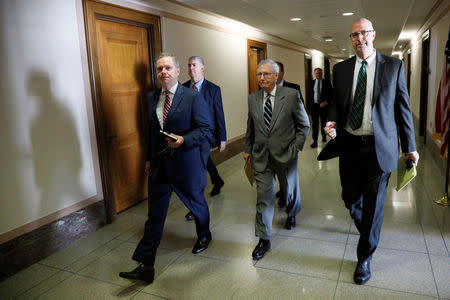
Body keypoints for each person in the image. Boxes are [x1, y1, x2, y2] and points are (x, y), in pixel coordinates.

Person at [324, 18, 419, 285]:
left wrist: (410, 147)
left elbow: (402, 109)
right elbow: (335, 102)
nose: (359, 39)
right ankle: (369, 229)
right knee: (350, 198)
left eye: (364, 33)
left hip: (381, 148)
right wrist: (331, 121)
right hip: (350, 145)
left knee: (374, 207)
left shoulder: (394, 66)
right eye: (354, 35)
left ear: (373, 34)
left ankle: (364, 256)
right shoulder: (341, 69)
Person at [119, 53, 213, 284]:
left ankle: (204, 234)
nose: (163, 72)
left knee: (197, 204)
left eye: (168, 67)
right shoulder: (152, 98)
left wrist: (184, 140)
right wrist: (149, 160)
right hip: (160, 167)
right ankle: (146, 266)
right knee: (154, 216)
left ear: (178, 71)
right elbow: (151, 132)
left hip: (186, 165)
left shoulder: (191, 97)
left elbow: (205, 130)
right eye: (160, 68)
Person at [244, 59, 310, 260]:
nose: (261, 78)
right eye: (259, 74)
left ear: (276, 76)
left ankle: (291, 213)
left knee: (289, 190)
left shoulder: (290, 96)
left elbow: (304, 125)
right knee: (264, 197)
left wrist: (295, 148)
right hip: (261, 155)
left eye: (266, 74)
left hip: (286, 155)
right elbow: (251, 126)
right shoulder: (253, 98)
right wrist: (248, 149)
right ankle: (264, 239)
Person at [183, 56, 227, 221]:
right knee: (201, 164)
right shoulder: (183, 88)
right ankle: (217, 181)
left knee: (197, 171)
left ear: (202, 68)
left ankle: (195, 207)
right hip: (188, 136)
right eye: (189, 65)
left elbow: (219, 114)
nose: (191, 68)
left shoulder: (213, 89)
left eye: (194, 65)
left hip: (205, 136)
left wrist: (222, 138)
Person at [274, 61, 305, 207]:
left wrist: (297, 143)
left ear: (282, 73)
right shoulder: (265, 89)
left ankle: (290, 207)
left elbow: (302, 116)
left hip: (289, 141)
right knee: (277, 171)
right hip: (271, 142)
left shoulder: (294, 89)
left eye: (277, 71)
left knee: (290, 175)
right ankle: (283, 191)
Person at [308, 68, 333, 148]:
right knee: (315, 124)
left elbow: (331, 94)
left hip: (323, 106)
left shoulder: (327, 82)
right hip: (314, 106)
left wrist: (325, 102)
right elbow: (310, 94)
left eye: (319, 73)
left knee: (323, 122)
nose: (318, 75)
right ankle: (314, 141)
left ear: (322, 74)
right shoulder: (311, 83)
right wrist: (310, 104)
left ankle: (324, 136)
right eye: (316, 73)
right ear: (314, 74)